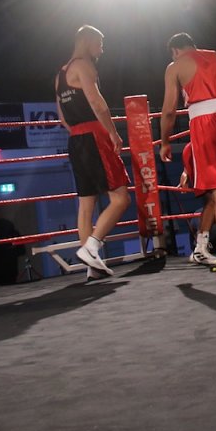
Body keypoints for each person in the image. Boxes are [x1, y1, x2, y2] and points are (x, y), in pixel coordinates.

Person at [160, 33, 216, 273]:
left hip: (205, 123)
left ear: (175, 50)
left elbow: (169, 111)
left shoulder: (175, 65)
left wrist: (165, 141)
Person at [55, 25, 132, 282]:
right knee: (120, 198)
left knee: (86, 204)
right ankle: (92, 247)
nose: (102, 49)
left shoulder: (60, 75)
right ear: (87, 42)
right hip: (94, 136)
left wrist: (83, 132)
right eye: (99, 43)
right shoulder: (84, 66)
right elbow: (97, 103)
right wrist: (112, 133)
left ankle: (93, 267)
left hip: (75, 139)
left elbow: (63, 118)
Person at [180, 143, 216, 266]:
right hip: (201, 148)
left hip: (201, 148)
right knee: (214, 199)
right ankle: (200, 249)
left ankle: (200, 248)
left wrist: (186, 171)